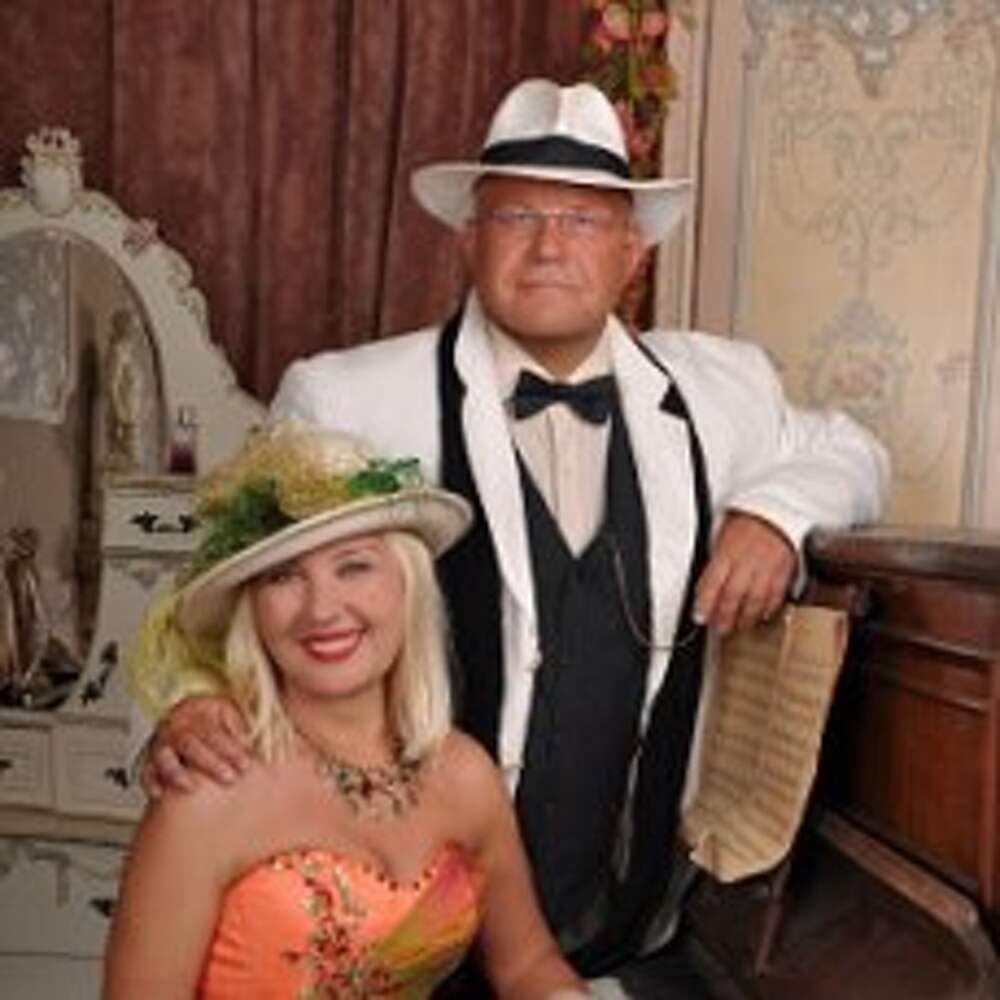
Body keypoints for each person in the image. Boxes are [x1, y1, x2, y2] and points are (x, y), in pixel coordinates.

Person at [135, 78, 889, 992]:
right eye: (517, 216)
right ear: (469, 237)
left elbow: (855, 453)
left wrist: (776, 514)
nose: (548, 246)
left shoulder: (719, 388)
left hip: (630, 927)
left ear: (632, 250)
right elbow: (235, 577)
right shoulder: (347, 396)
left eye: (582, 220)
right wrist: (191, 702)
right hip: (412, 942)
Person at [106, 420, 619, 999]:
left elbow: (526, 964)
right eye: (283, 576)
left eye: (354, 566)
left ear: (408, 584)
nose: (322, 610)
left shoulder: (465, 774)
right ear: (253, 610)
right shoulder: (209, 791)